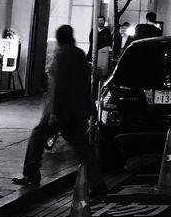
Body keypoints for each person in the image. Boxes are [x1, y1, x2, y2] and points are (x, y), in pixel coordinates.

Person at [13, 24, 107, 195]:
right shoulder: (79, 54)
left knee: (38, 135)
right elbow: (86, 83)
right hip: (79, 110)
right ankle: (97, 182)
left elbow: (59, 85)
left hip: (63, 110)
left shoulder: (62, 55)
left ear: (59, 39)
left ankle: (31, 173)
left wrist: (54, 112)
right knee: (82, 147)